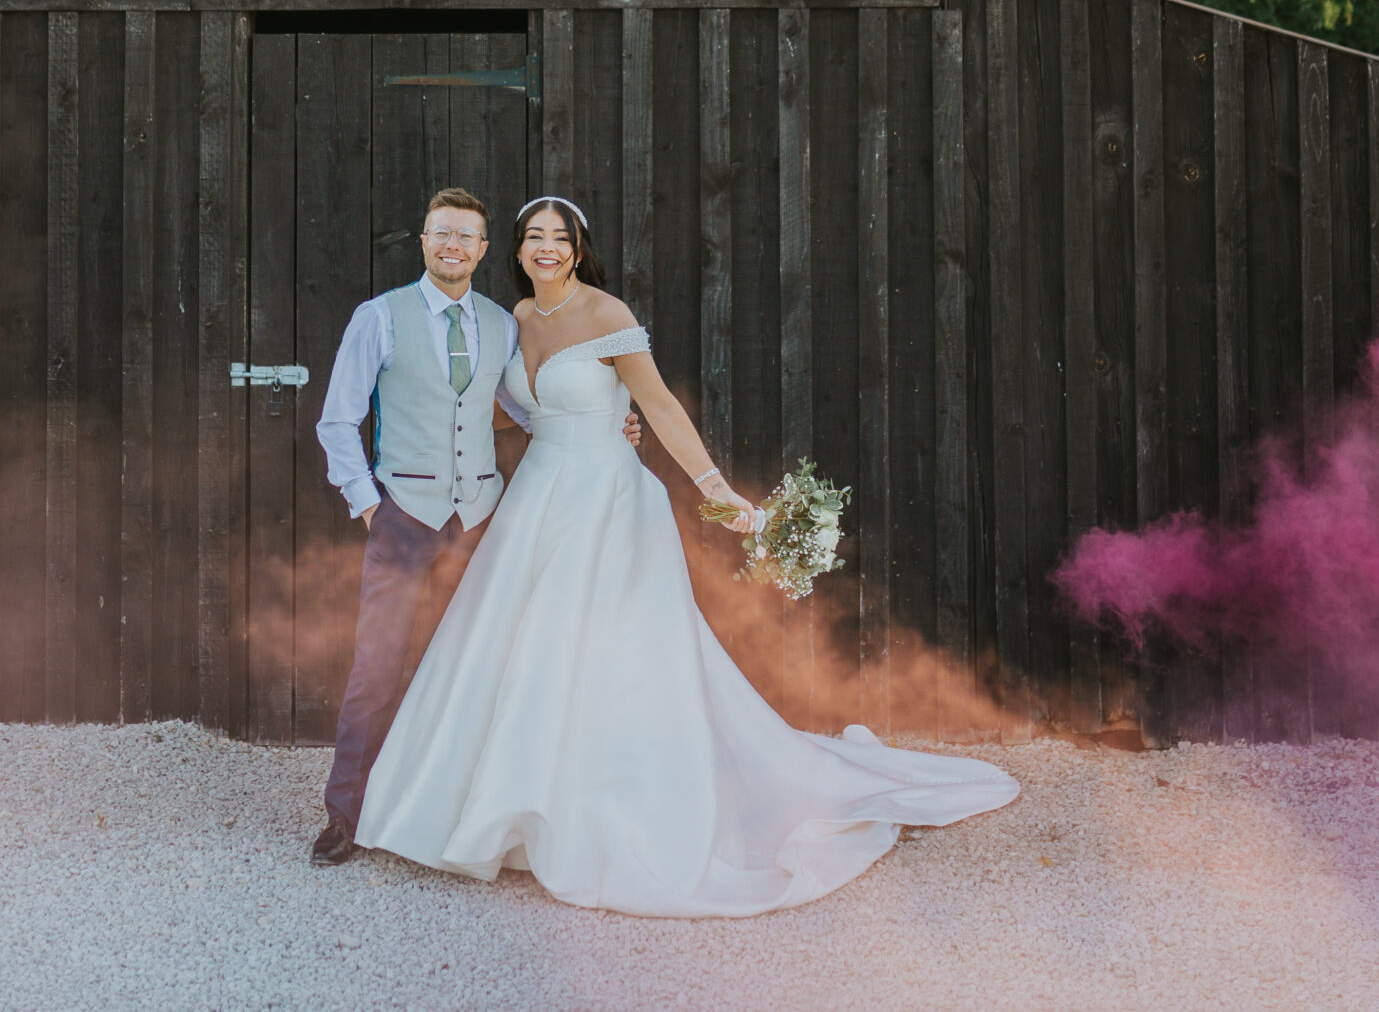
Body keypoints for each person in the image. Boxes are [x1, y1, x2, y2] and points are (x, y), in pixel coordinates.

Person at [351, 195, 1021, 917]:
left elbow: (661, 406)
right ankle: (508, 810)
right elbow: (491, 405)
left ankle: (603, 808)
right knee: (523, 652)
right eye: (534, 238)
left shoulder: (609, 316)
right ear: (514, 252)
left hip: (607, 498)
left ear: (579, 249)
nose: (547, 248)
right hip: (535, 499)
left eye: (560, 237)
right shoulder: (511, 322)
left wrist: (716, 489)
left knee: (615, 653)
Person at [308, 186, 643, 867]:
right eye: (442, 234)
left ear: (486, 249)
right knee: (377, 666)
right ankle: (345, 812)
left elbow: (524, 406)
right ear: (424, 241)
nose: (454, 245)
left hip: (484, 520)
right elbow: (337, 419)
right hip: (405, 516)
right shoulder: (380, 317)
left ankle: (444, 811)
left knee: (470, 668)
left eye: (467, 236)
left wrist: (612, 423)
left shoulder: (501, 322)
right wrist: (370, 504)